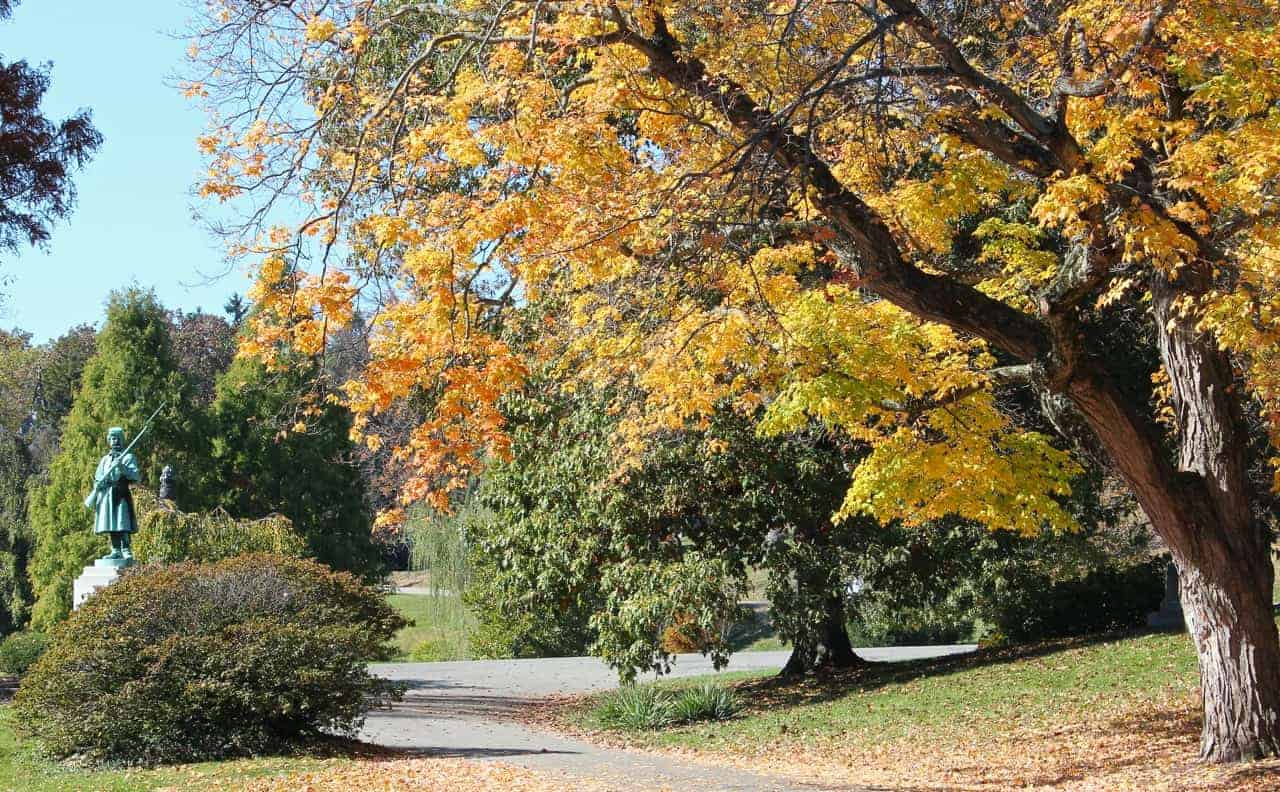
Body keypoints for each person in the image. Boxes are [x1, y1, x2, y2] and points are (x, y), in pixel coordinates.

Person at [88, 427, 140, 562]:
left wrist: (122, 467)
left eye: (117, 438)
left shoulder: (128, 457)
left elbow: (135, 476)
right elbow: (98, 476)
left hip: (121, 493)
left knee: (122, 522)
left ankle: (126, 549)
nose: (115, 441)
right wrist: (98, 484)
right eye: (112, 438)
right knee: (111, 523)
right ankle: (115, 549)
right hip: (107, 495)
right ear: (109, 441)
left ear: (122, 440)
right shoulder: (105, 460)